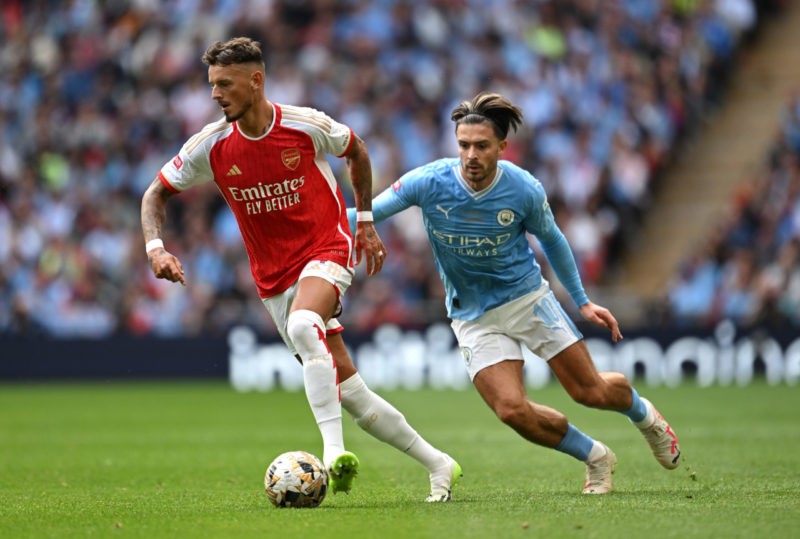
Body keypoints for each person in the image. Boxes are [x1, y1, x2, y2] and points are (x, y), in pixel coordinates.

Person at [140, 37, 460, 502]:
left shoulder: (304, 125)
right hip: (273, 278)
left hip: (327, 247)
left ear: (256, 80)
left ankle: (331, 456)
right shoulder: (211, 147)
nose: (215, 95)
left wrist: (366, 223)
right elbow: (155, 192)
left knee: (305, 325)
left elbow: (356, 149)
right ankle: (439, 464)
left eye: (225, 84)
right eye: (212, 85)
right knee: (349, 392)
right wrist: (155, 248)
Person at [350, 92, 681, 494]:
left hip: (527, 300)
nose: (471, 155)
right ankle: (595, 456)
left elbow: (554, 241)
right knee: (511, 410)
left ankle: (643, 414)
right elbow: (368, 212)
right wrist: (307, 218)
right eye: (463, 145)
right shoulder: (428, 182)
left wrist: (582, 301)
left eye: (481, 146)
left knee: (588, 391)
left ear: (502, 147)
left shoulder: (523, 188)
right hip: (472, 315)